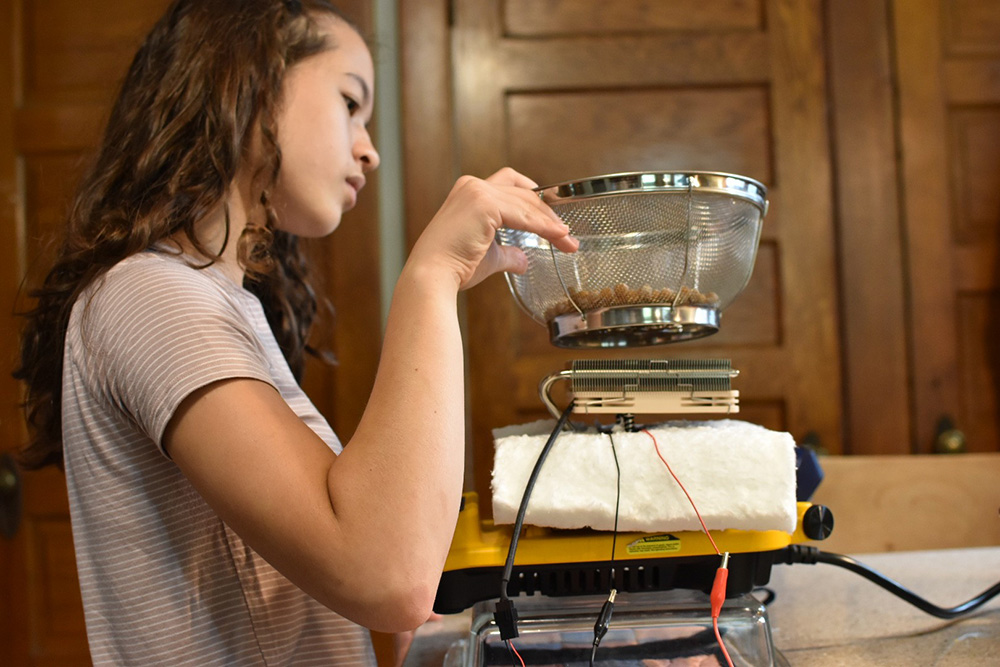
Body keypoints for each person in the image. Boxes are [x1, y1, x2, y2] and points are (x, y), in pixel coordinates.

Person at [14, 0, 578, 664]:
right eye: (349, 104)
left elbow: (376, 572)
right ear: (249, 81)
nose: (368, 149)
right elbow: (387, 573)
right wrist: (431, 277)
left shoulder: (221, 301)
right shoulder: (147, 293)